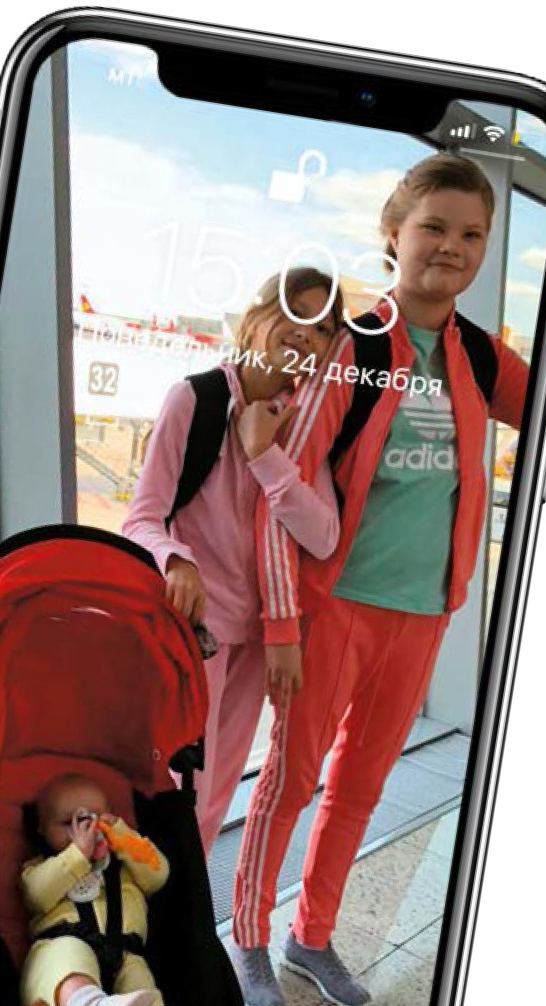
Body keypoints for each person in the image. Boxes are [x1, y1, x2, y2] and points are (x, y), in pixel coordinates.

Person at [231, 154, 529, 1006]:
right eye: (433, 227)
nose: (451, 247)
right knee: (290, 780)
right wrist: (283, 628)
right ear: (393, 235)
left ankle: (310, 937)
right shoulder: (355, 350)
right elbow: (279, 491)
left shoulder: (479, 355)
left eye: (471, 234)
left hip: (422, 612)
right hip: (334, 609)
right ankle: (246, 937)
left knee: (359, 785)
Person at [122, 268, 344, 854]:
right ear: (255, 319)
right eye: (294, 314)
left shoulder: (300, 424)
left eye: (323, 328)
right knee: (179, 784)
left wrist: (264, 453)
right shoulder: (194, 400)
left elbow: (323, 536)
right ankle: (156, 892)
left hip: (258, 638)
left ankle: (187, 896)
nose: (306, 334)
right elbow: (142, 517)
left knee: (218, 791)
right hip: (194, 632)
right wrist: (176, 561)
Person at [19, 773, 210, 1006]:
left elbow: (158, 874)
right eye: (68, 823)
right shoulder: (39, 868)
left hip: (123, 959)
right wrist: (76, 855)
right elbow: (36, 896)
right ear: (41, 830)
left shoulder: (124, 869)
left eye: (96, 819)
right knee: (67, 955)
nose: (85, 829)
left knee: (143, 990)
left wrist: (122, 837)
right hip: (57, 983)